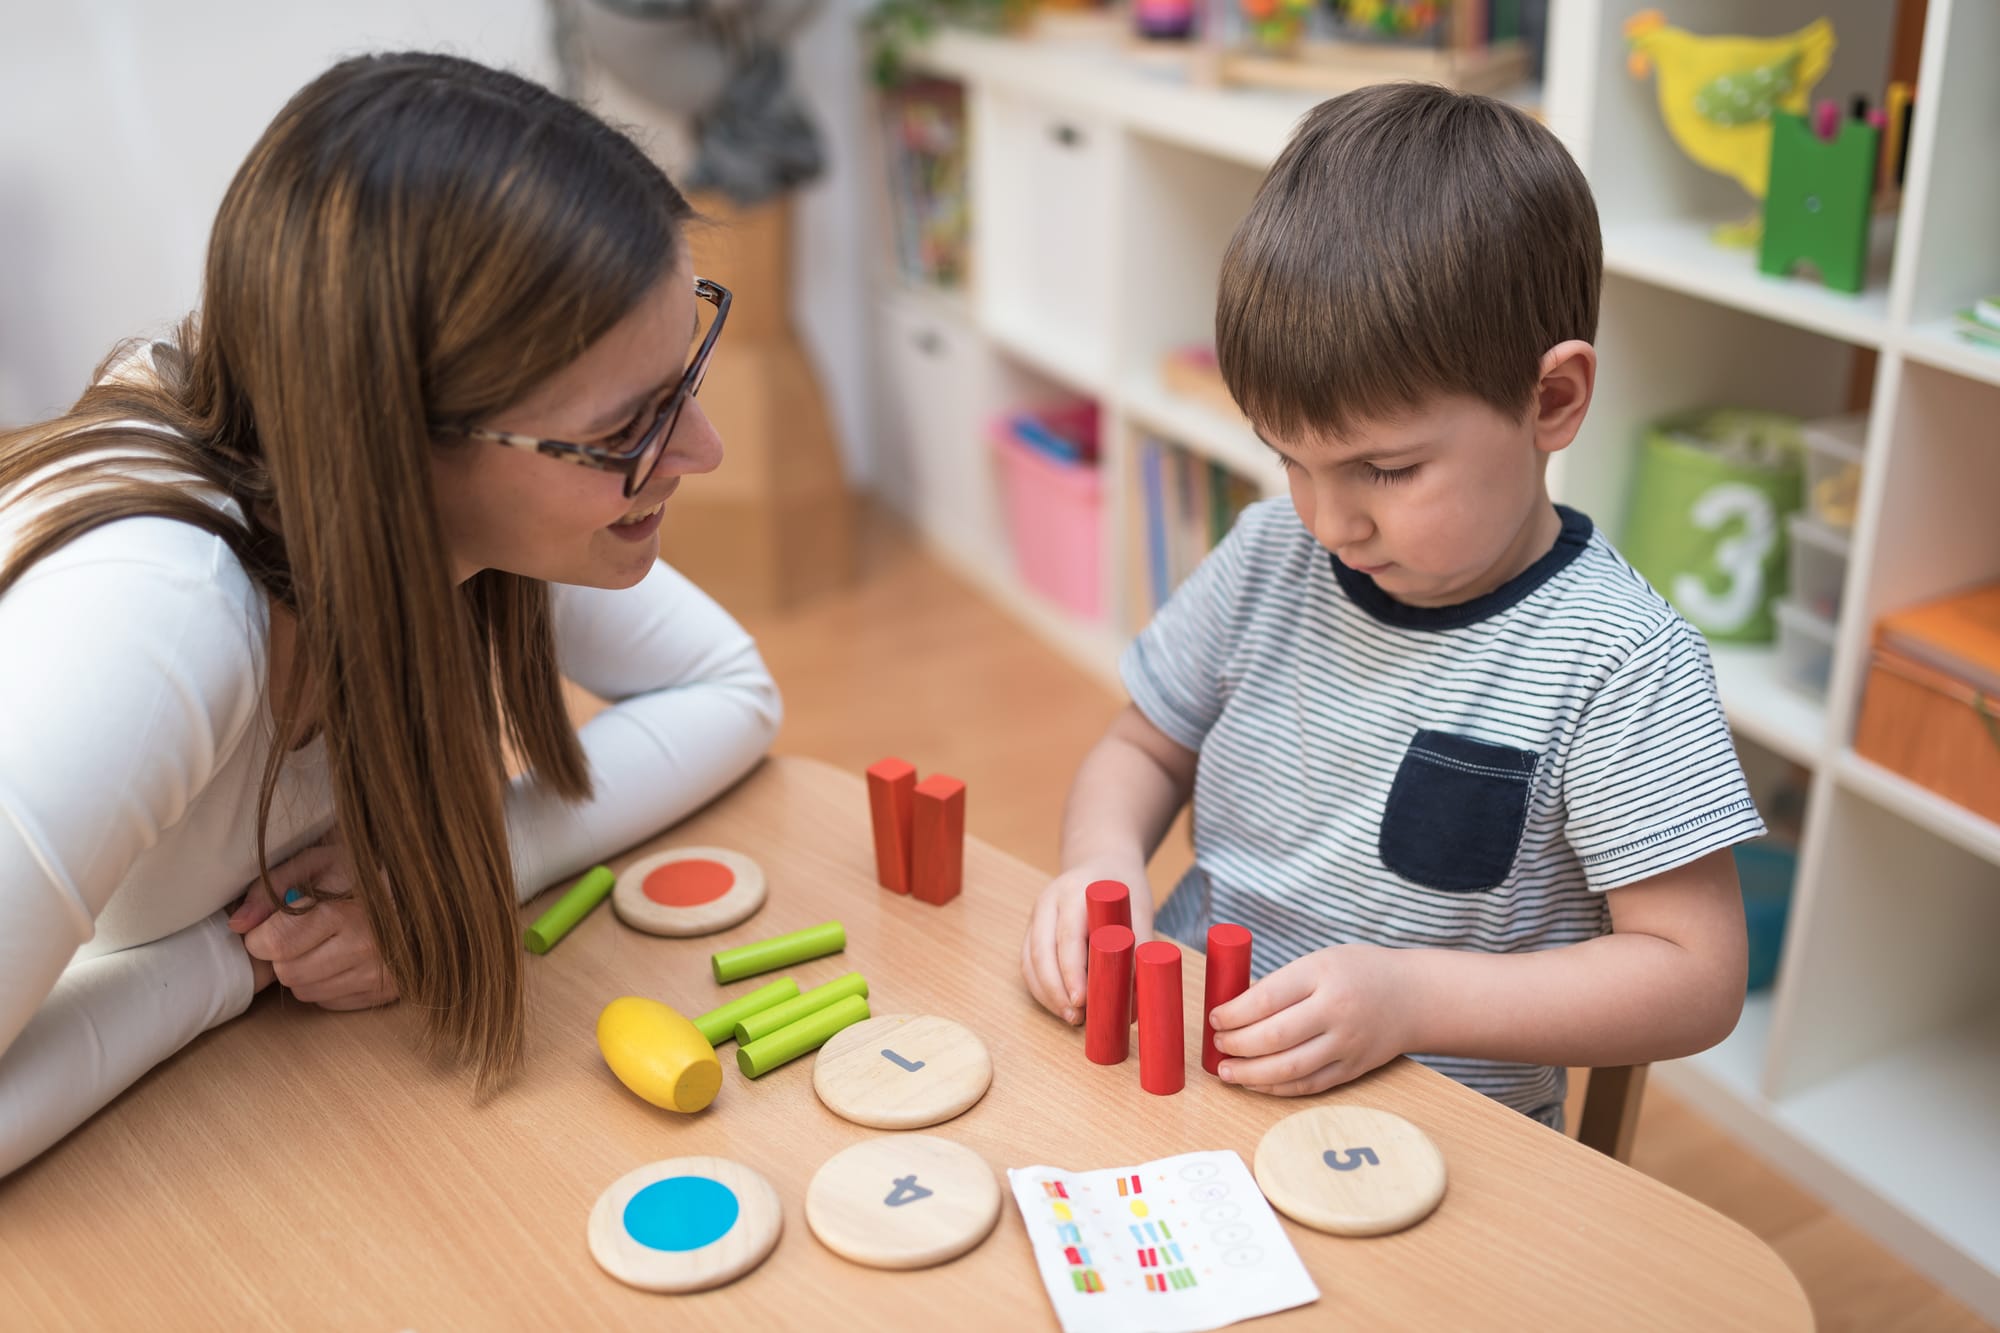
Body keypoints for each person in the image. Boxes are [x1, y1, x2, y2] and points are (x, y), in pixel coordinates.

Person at [0, 52, 782, 1176]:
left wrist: (447, 874)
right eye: (631, 424)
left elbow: (732, 691)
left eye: (684, 372)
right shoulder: (156, 622)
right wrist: (236, 966)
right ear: (405, 444)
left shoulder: (441, 510)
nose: (701, 452)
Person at [1021, 83, 1757, 1128]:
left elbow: (1692, 975)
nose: (1327, 521)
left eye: (1383, 469)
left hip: (1433, 1142)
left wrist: (1410, 998)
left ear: (1551, 402)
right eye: (1290, 459)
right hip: (1190, 1068)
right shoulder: (1269, 552)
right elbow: (1142, 749)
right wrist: (1098, 868)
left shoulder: (1616, 662)